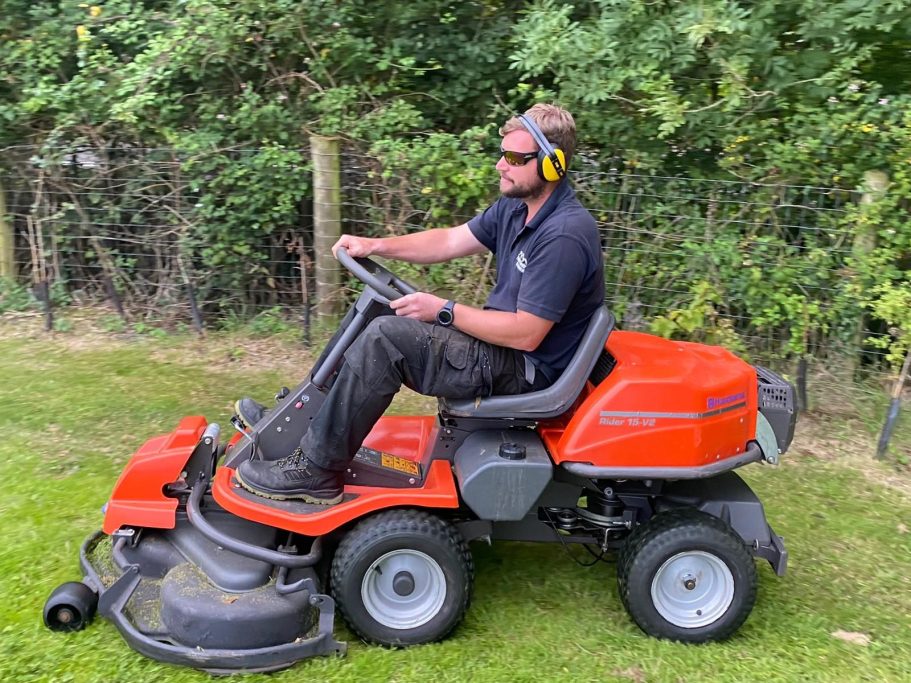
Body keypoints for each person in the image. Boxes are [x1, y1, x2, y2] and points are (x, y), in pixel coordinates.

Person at [233, 104, 605, 505]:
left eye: (515, 158)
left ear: (552, 165)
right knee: (377, 311)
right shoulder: (516, 208)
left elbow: (528, 335)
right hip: (502, 349)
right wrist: (375, 245)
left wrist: (443, 309)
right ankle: (295, 420)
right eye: (502, 153)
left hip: (524, 368)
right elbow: (448, 240)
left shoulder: (563, 234)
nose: (500, 165)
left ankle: (315, 470)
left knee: (386, 340)